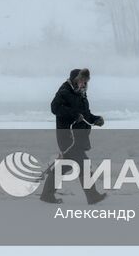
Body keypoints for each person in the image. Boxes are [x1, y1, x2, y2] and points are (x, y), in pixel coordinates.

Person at [38, 67, 106, 204]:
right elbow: (55, 108)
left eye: (85, 81)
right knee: (84, 164)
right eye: (81, 80)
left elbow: (85, 115)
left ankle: (46, 195)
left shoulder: (81, 94)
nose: (83, 83)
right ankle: (92, 196)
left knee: (65, 165)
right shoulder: (64, 91)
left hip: (78, 137)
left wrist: (96, 119)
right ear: (75, 79)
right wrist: (73, 114)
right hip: (67, 137)